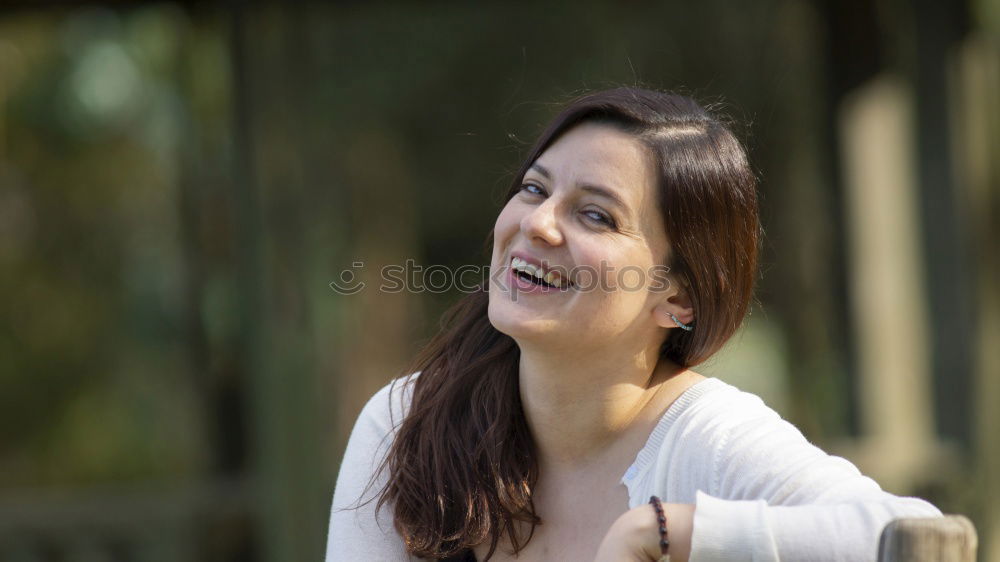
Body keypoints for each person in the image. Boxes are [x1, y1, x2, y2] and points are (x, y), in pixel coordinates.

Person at [325, 88, 942, 561]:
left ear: (679, 300)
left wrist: (665, 531)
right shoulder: (407, 421)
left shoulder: (708, 440)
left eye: (596, 215)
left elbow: (916, 536)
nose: (538, 224)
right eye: (535, 189)